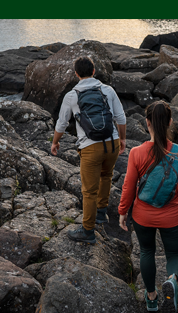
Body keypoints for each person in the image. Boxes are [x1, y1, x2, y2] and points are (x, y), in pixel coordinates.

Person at [118, 101, 178, 313]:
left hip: (142, 216)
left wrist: (122, 211)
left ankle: (152, 298)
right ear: (170, 122)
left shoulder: (136, 152)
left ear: (147, 124)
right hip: (172, 217)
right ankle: (172, 279)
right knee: (175, 254)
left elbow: (128, 186)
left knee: (147, 252)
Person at [51, 56, 127, 243]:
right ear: (94, 71)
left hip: (90, 147)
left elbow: (62, 124)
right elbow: (121, 117)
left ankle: (87, 231)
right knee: (106, 176)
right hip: (112, 144)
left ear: (76, 74)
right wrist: (122, 139)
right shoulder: (107, 90)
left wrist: (55, 142)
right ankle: (101, 213)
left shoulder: (72, 95)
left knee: (89, 191)